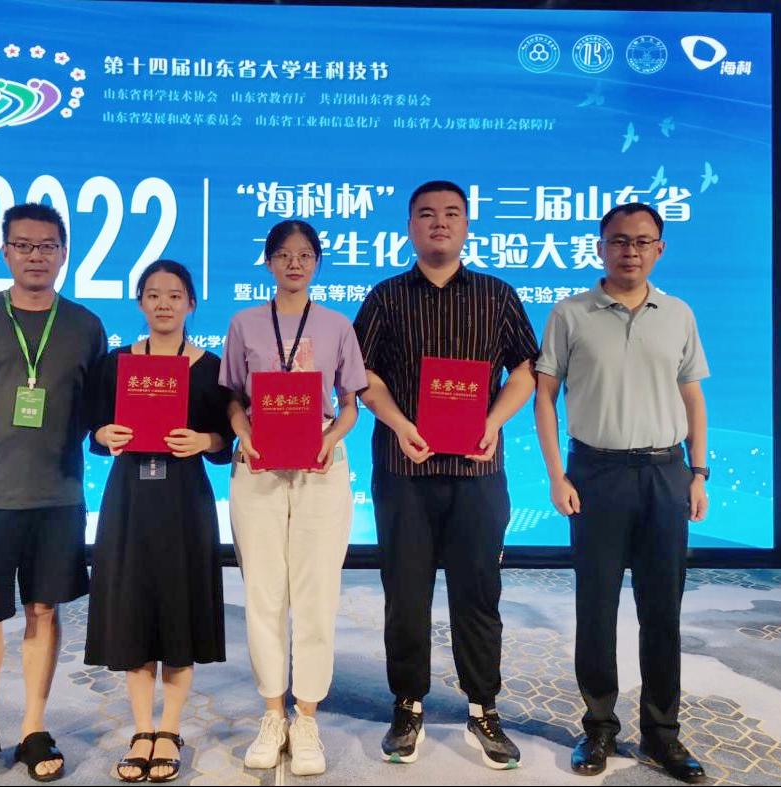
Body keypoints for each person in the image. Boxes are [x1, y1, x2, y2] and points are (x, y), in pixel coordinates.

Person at [353, 180, 538, 769]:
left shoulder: (497, 295)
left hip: (478, 471)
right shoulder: (385, 297)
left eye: (452, 213)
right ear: (410, 226)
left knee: (478, 592)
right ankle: (407, 703)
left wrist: (493, 422)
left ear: (467, 225)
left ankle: (483, 707)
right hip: (403, 469)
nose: (440, 222)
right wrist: (400, 423)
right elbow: (362, 375)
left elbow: (526, 370)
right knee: (405, 594)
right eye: (427, 214)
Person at [533, 202, 709, 784]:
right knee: (596, 608)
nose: (629, 251)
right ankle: (599, 729)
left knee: (662, 610)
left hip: (665, 473)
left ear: (659, 248)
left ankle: (662, 733)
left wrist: (699, 472)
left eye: (642, 241)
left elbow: (692, 396)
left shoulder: (678, 314)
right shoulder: (571, 313)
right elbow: (544, 396)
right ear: (600, 246)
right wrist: (556, 475)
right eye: (618, 240)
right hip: (596, 474)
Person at [0, 203, 107, 785]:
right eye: (24, 245)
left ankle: (34, 726)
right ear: (5, 251)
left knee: (43, 610)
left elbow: (93, 409)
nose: (37, 256)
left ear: (64, 253)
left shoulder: (85, 325)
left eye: (48, 246)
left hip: (57, 496)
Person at [219, 219, 367, 777]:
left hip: (319, 464)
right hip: (259, 463)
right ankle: (272, 712)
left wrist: (331, 439)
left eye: (305, 255)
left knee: (315, 593)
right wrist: (244, 434)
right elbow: (233, 398)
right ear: (268, 262)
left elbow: (350, 403)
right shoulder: (244, 323)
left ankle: (306, 717)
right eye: (283, 254)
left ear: (318, 262)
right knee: (263, 592)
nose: (295, 264)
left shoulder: (337, 325)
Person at [85, 259, 234, 783]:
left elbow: (225, 440)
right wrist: (104, 435)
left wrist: (205, 440)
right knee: (132, 607)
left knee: (178, 606)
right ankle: (141, 729)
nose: (164, 303)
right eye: (153, 294)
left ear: (191, 303)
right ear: (140, 303)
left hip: (184, 500)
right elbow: (93, 427)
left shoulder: (211, 367)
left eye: (174, 295)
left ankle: (169, 729)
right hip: (129, 498)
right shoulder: (117, 363)